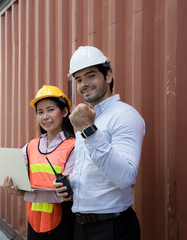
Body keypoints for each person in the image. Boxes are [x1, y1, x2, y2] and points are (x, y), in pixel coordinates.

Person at [53, 46, 145, 240]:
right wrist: (71, 184)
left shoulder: (124, 115)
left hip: (112, 227)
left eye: (91, 76)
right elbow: (94, 171)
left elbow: (125, 176)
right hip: (82, 226)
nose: (84, 84)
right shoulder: (86, 117)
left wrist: (88, 130)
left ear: (108, 76)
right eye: (78, 79)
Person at [0, 85, 76, 240]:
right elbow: (8, 167)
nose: (45, 116)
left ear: (65, 112)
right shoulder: (32, 146)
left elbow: (66, 194)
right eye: (40, 112)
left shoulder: (73, 146)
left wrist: (24, 193)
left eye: (50, 110)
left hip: (64, 222)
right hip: (34, 221)